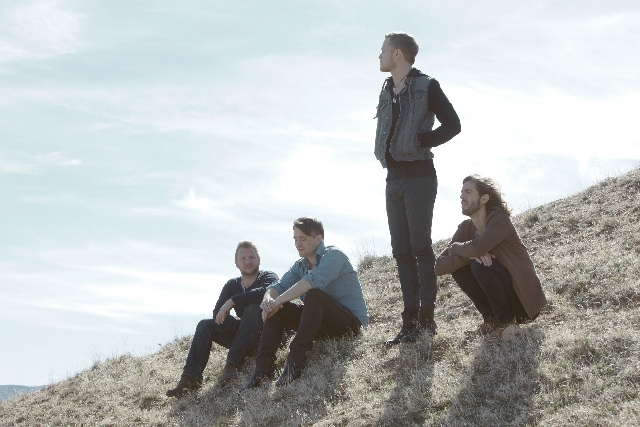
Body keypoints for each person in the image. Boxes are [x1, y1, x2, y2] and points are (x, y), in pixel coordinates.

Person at [375, 32, 461, 345]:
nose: (379, 56)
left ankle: (426, 321)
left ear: (397, 54)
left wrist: (422, 141)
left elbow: (453, 124)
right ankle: (408, 321)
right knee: (401, 251)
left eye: (383, 50)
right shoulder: (387, 89)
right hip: (393, 179)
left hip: (419, 177)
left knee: (420, 248)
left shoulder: (427, 85)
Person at [243, 217, 369, 388]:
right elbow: (276, 287)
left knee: (314, 294)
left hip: (351, 324)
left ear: (318, 239)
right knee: (279, 308)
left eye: (302, 239)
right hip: (322, 326)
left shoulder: (334, 256)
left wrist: (278, 301)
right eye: (295, 239)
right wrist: (269, 300)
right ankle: (263, 369)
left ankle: (295, 360)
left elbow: (311, 282)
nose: (297, 244)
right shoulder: (300, 266)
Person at [434, 175, 547, 338]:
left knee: (480, 264)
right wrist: (470, 256)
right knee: (460, 267)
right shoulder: (465, 229)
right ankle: (492, 321)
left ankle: (508, 322)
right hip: (502, 292)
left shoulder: (499, 219)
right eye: (461, 192)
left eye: (468, 192)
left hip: (524, 304)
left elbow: (479, 247)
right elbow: (438, 267)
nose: (462, 196)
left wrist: (459, 249)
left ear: (484, 198)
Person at [166, 241, 278, 397]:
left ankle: (232, 365)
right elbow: (218, 314)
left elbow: (265, 292)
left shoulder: (269, 277)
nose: (248, 261)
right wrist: (242, 328)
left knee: (253, 308)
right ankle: (190, 379)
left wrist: (232, 301)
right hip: (245, 338)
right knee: (205, 325)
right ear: (236, 263)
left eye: (251, 257)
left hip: (267, 338)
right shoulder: (232, 285)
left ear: (258, 259)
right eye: (243, 258)